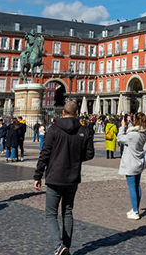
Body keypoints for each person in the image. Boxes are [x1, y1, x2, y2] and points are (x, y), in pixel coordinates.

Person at [33, 100, 94, 255]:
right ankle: (66, 246)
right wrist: (75, 159)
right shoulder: (84, 130)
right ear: (77, 113)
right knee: (67, 212)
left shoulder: (53, 130)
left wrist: (38, 175)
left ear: (63, 113)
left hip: (54, 176)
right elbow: (89, 154)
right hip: (72, 176)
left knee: (50, 213)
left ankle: (59, 246)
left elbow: (45, 153)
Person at [117, 113, 146, 220]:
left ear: (136, 121)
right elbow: (133, 131)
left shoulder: (132, 135)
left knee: (132, 187)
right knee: (137, 186)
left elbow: (120, 138)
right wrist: (128, 125)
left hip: (131, 163)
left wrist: (122, 127)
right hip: (138, 162)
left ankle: (135, 211)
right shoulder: (143, 133)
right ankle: (135, 208)